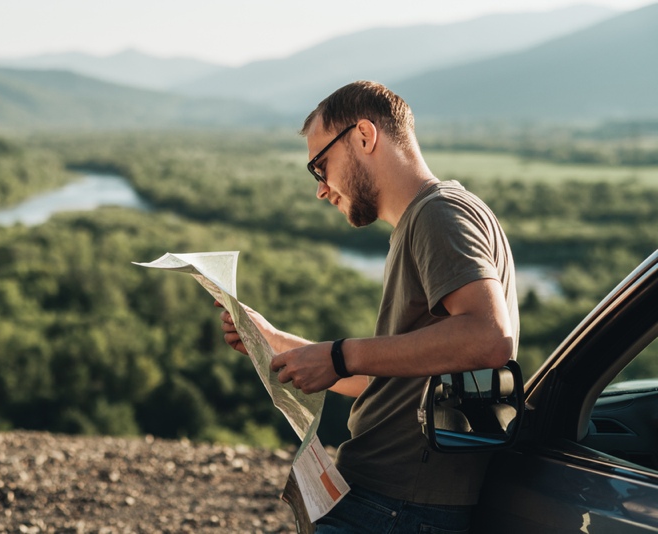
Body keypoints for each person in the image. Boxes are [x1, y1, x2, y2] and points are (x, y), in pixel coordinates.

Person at [218, 80, 519, 533]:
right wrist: (282, 344)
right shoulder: (426, 219)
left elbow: (489, 338)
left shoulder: (439, 214)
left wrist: (338, 355)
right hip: (389, 500)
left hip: (397, 506)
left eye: (321, 166)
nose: (321, 188)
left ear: (364, 136)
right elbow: (399, 379)